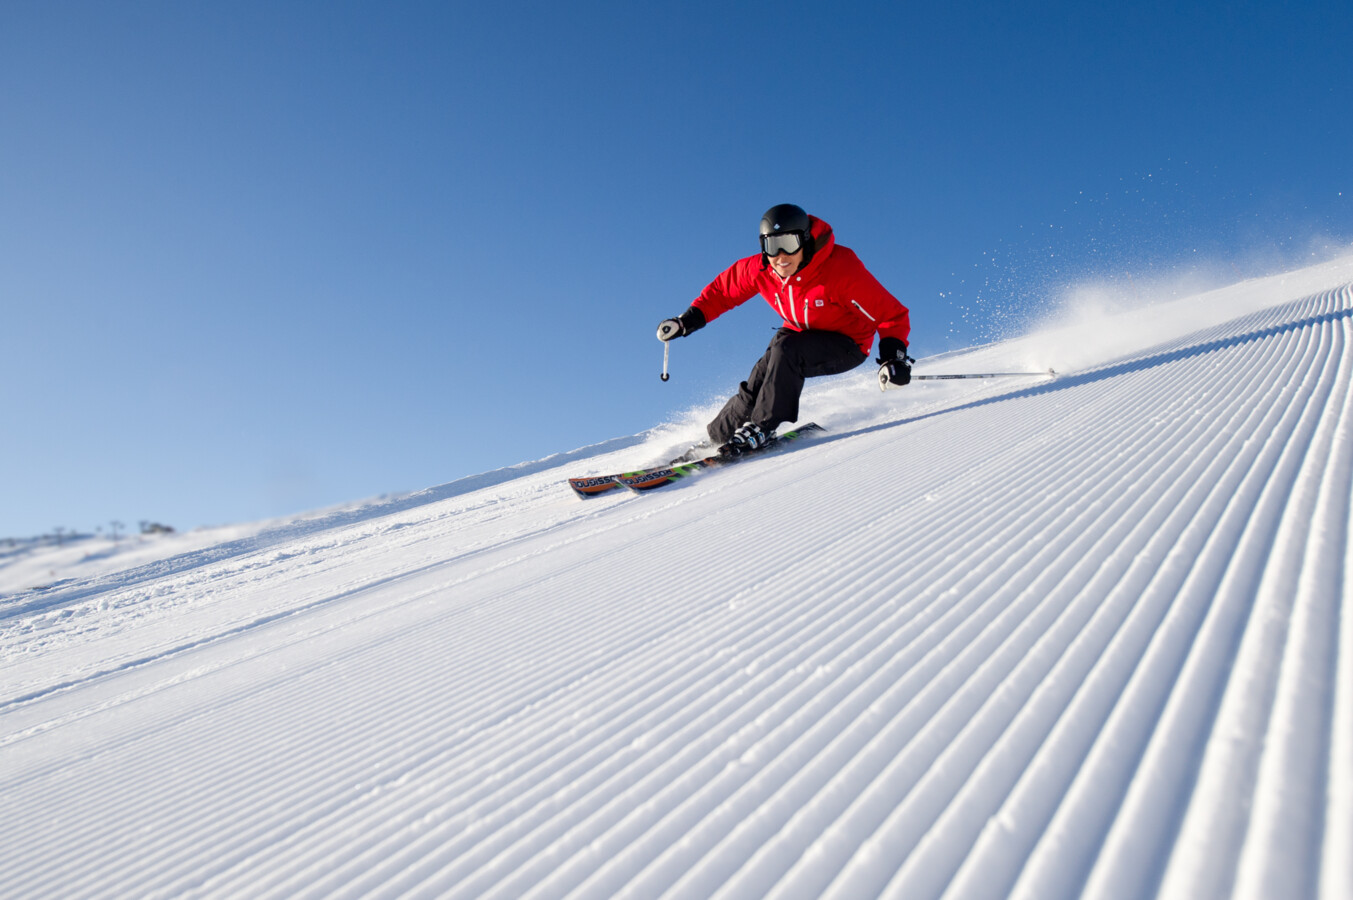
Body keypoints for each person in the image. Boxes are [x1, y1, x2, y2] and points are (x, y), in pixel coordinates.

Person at [657, 203, 912, 454]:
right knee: (762, 374)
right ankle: (717, 437)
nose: (781, 256)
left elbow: (891, 314)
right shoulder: (761, 269)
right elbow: (723, 292)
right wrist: (685, 322)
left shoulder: (839, 268)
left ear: (805, 241)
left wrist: (893, 358)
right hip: (798, 334)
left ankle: (763, 427)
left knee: (787, 349)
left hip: (848, 343)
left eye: (789, 244)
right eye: (772, 246)